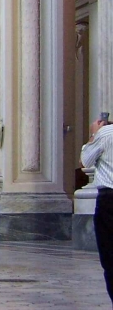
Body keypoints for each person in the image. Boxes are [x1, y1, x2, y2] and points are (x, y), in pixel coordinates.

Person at [81, 117, 113, 302]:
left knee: (110, 258)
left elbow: (84, 161)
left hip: (110, 200)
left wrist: (94, 134)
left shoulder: (106, 133)